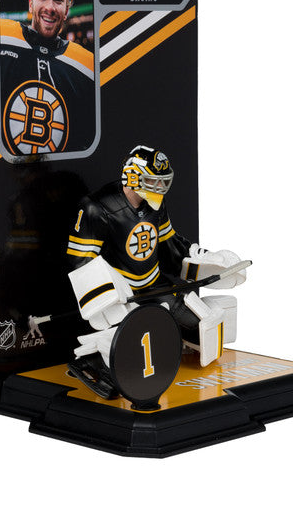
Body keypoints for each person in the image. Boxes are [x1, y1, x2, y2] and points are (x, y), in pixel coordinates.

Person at [65, 145, 247, 398]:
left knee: (202, 326)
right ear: (132, 176)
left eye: (163, 181)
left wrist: (204, 261)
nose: (159, 188)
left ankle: (165, 343)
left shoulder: (155, 205)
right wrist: (108, 302)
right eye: (152, 181)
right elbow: (81, 263)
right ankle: (95, 360)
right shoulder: (96, 207)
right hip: (123, 293)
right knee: (128, 338)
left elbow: (169, 247)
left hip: (153, 285)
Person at [0, 0, 95, 156]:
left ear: (67, 8)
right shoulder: (2, 38)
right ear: (30, 2)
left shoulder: (87, 66)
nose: (50, 7)